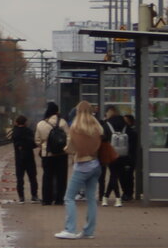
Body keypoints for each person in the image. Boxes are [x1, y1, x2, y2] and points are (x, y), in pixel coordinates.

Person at [55, 100, 104, 239]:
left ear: (77, 112)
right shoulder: (97, 128)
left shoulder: (75, 128)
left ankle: (70, 229)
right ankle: (89, 231)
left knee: (69, 198)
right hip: (95, 165)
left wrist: (67, 149)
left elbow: (70, 148)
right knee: (91, 199)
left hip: (82, 166)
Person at [35, 101, 69, 205]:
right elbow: (69, 137)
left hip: (47, 155)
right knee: (61, 177)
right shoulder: (63, 122)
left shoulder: (41, 124)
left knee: (47, 177)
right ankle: (59, 199)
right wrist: (66, 148)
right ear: (56, 111)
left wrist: (44, 146)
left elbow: (37, 141)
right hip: (61, 155)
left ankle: (47, 199)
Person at [9, 115, 38, 203]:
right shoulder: (29, 131)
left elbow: (13, 141)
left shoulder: (15, 132)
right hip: (29, 157)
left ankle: (21, 197)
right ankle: (34, 196)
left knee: (20, 178)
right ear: (25, 122)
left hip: (19, 158)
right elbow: (34, 144)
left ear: (17, 122)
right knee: (32, 177)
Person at [100, 106, 125, 205]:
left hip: (110, 152)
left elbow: (103, 138)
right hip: (123, 152)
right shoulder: (124, 123)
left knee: (113, 175)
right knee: (114, 175)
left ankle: (117, 198)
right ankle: (106, 197)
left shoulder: (107, 124)